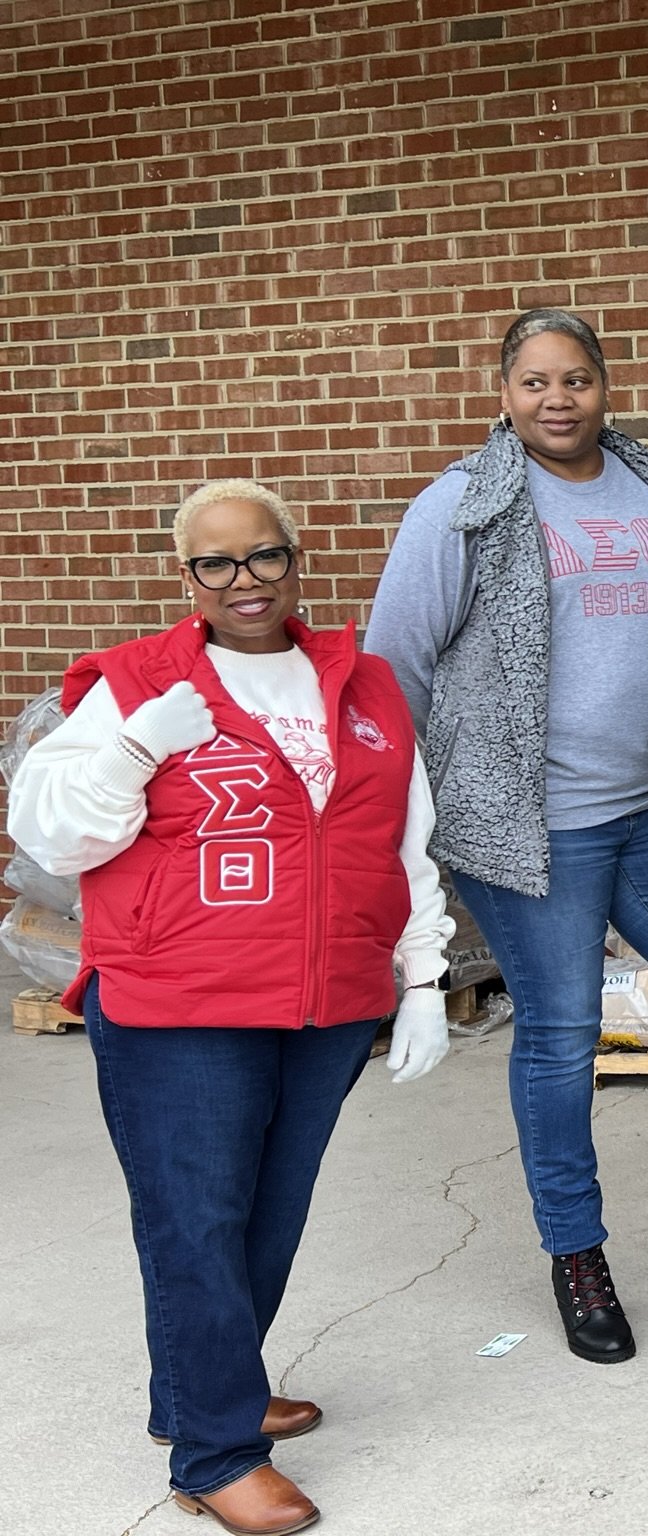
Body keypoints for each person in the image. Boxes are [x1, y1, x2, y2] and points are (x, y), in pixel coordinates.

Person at [8, 480, 452, 1536]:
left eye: (263, 556)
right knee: (196, 1222)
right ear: (187, 578)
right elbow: (51, 838)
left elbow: (404, 838)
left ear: (295, 560)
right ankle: (214, 1451)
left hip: (326, 999)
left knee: (267, 1213)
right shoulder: (134, 686)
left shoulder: (364, 684)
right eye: (217, 563)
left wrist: (425, 977)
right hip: (180, 1001)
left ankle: (204, 1390)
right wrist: (134, 745)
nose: (243, 580)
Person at [364, 308, 648, 1365]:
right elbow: (395, 663)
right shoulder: (459, 506)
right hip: (527, 818)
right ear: (504, 391)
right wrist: (390, 826)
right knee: (559, 1035)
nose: (557, 400)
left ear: (603, 385)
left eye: (576, 379)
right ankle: (575, 1254)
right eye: (535, 381)